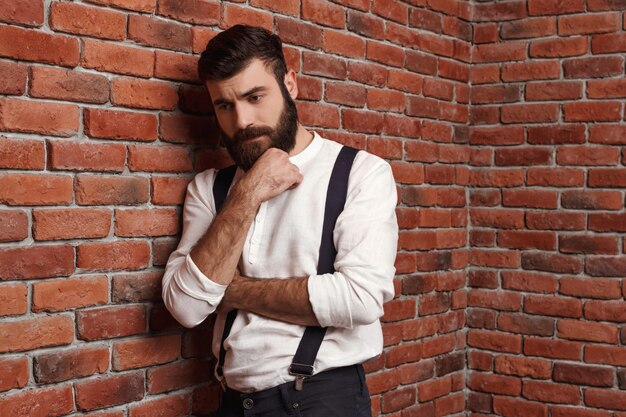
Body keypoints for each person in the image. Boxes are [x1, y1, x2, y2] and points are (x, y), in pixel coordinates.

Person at [162, 24, 398, 417]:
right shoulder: (211, 189)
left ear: (290, 83)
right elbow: (186, 308)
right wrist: (249, 191)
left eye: (256, 96)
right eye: (225, 105)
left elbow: (359, 299)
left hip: (322, 398)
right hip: (233, 402)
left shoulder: (359, 172)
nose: (242, 121)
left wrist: (230, 291)